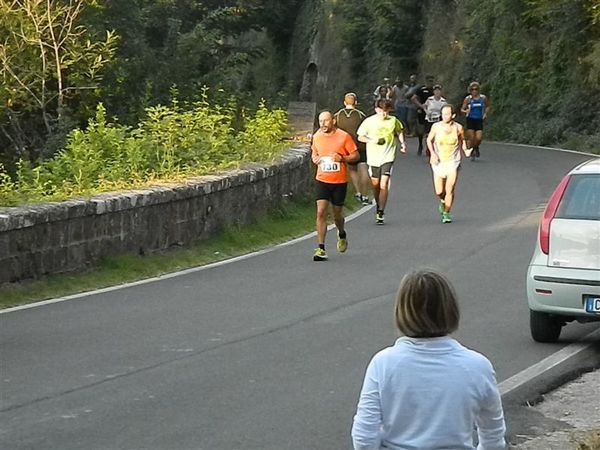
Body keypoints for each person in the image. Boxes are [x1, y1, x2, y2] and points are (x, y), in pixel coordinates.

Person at [351, 268, 507, 450]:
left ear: (402, 311)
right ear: (450, 308)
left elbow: (364, 435)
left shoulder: (383, 364)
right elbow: (493, 434)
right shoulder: (478, 367)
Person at [310, 110, 359, 261]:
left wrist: (342, 158)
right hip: (322, 179)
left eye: (325, 121)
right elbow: (314, 153)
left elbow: (355, 155)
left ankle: (341, 233)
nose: (323, 124)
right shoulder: (317, 136)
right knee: (320, 212)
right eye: (320, 121)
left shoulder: (343, 136)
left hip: (339, 182)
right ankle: (321, 248)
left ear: (333, 121)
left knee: (337, 215)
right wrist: (315, 158)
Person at [357, 99, 406, 225]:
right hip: (373, 157)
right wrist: (372, 140)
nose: (383, 114)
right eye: (381, 111)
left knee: (384, 183)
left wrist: (403, 143)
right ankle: (378, 202)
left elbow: (399, 131)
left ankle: (380, 211)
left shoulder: (393, 120)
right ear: (376, 110)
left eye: (385, 112)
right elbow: (360, 136)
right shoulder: (369, 121)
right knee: (375, 184)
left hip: (388, 156)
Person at [426, 104, 469, 223]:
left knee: (449, 189)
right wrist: (433, 154)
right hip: (438, 161)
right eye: (443, 114)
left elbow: (462, 140)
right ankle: (443, 202)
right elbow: (429, 140)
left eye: (447, 114)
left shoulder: (458, 128)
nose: (445, 116)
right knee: (439, 191)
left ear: (453, 115)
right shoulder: (436, 127)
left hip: (453, 161)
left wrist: (466, 150)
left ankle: (446, 213)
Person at [334, 93, 371, 205]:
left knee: (352, 169)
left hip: (347, 148)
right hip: (361, 146)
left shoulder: (338, 115)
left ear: (344, 103)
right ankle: (365, 195)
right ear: (355, 103)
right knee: (364, 169)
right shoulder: (361, 115)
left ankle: (358, 191)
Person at [461, 81, 490, 160]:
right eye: (472, 89)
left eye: (476, 89)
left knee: (479, 138)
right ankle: (473, 150)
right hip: (470, 119)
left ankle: (475, 147)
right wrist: (465, 111)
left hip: (479, 120)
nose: (474, 91)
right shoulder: (468, 99)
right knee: (472, 137)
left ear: (479, 90)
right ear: (470, 90)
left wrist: (485, 114)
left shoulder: (483, 98)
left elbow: (487, 106)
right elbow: (462, 109)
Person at [410, 75, 435, 155]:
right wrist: (420, 105)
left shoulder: (435, 90)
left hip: (432, 112)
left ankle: (429, 148)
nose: (430, 82)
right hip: (422, 111)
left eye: (431, 81)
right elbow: (413, 98)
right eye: (429, 81)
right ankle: (420, 144)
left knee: (430, 130)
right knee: (421, 130)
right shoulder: (422, 89)